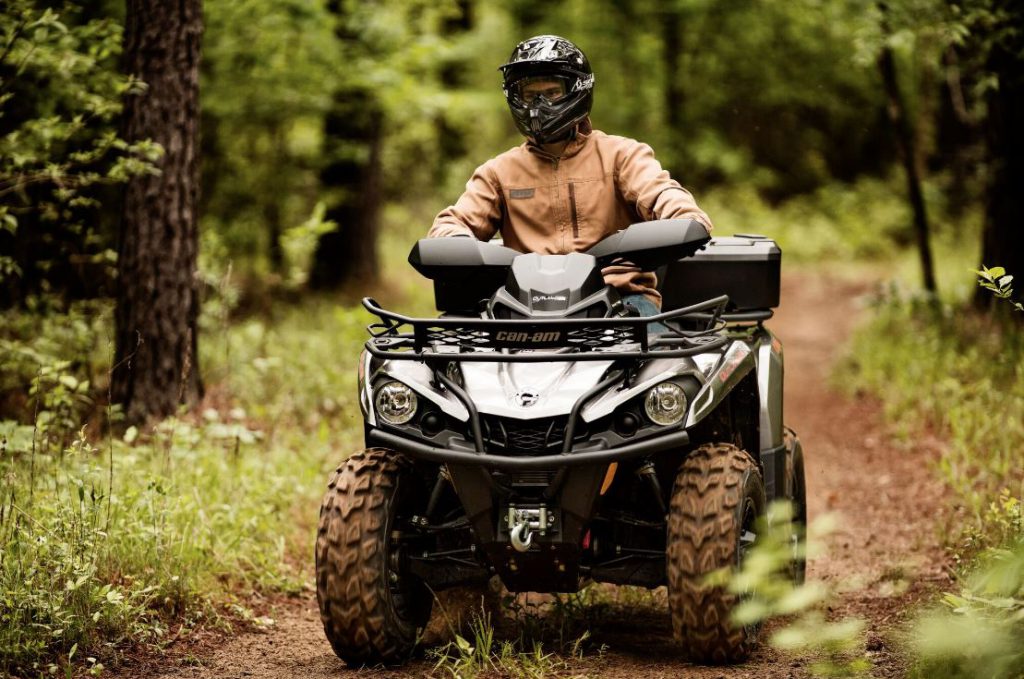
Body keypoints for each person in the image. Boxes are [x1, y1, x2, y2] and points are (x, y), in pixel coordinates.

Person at [428, 34, 713, 318]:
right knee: (451, 357)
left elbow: (660, 192)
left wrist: (682, 216)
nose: (539, 105)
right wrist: (458, 244)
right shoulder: (498, 173)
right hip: (524, 308)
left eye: (552, 92)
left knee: (665, 363)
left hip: (621, 301)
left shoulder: (621, 155)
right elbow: (451, 223)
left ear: (577, 90)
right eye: (530, 95)